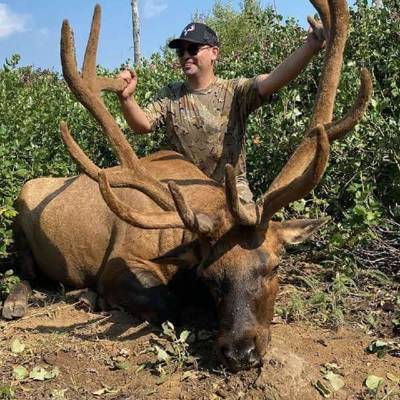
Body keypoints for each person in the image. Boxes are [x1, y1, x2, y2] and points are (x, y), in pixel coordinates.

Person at [117, 20, 325, 203]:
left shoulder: (235, 91)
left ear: (214, 53)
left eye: (193, 49)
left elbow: (271, 81)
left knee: (246, 231)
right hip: (186, 194)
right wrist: (127, 98)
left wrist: (310, 47)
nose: (186, 56)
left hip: (231, 193)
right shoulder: (170, 94)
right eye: (181, 52)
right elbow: (143, 124)